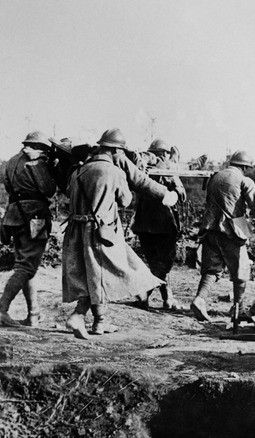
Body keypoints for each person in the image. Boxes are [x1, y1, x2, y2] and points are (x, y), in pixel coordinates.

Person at [62, 129, 177, 339]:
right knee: (101, 274)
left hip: (75, 231)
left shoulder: (78, 171)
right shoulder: (114, 172)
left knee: (94, 274)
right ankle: (78, 315)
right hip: (100, 232)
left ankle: (100, 322)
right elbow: (125, 201)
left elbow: (69, 194)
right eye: (121, 153)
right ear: (115, 150)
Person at [191, 150, 255, 323]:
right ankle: (237, 309)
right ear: (245, 167)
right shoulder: (244, 180)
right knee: (241, 271)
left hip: (209, 229)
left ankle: (199, 299)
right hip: (232, 231)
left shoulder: (215, 177)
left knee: (212, 269)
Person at [0, 131, 57, 327]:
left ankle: (33, 314)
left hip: (13, 216)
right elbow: (48, 190)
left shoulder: (12, 161)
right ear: (40, 147)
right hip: (34, 217)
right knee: (26, 267)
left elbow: (8, 188)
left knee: (27, 265)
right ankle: (0, 309)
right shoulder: (35, 162)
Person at [131, 139, 187, 310]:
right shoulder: (166, 167)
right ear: (164, 153)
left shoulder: (140, 169)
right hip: (163, 223)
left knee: (155, 262)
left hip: (142, 223)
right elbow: (181, 193)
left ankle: (167, 297)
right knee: (163, 262)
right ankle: (144, 293)